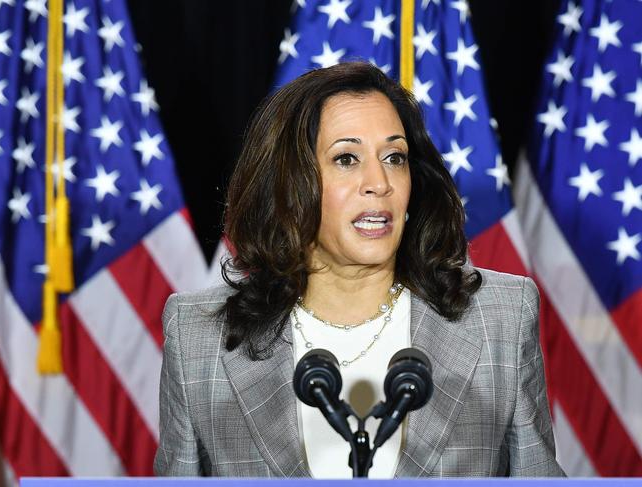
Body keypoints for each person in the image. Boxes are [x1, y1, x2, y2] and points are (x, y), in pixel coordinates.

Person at [154, 62, 564, 478]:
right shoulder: (198, 339)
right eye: (347, 158)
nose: (379, 182)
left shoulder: (502, 320)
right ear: (290, 183)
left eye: (395, 157)